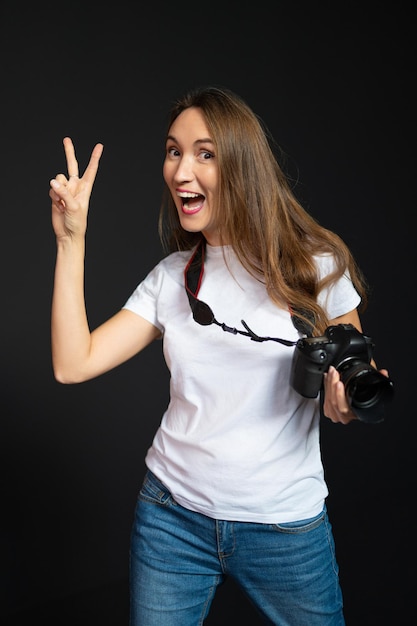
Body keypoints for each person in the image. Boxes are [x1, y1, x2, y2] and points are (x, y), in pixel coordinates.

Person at [49, 85, 389, 626]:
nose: (182, 171)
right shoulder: (171, 280)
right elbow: (73, 363)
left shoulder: (316, 265)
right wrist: (72, 241)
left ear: (241, 164)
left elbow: (352, 372)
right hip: (171, 520)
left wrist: (347, 400)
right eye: (173, 150)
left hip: (285, 527)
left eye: (205, 153)